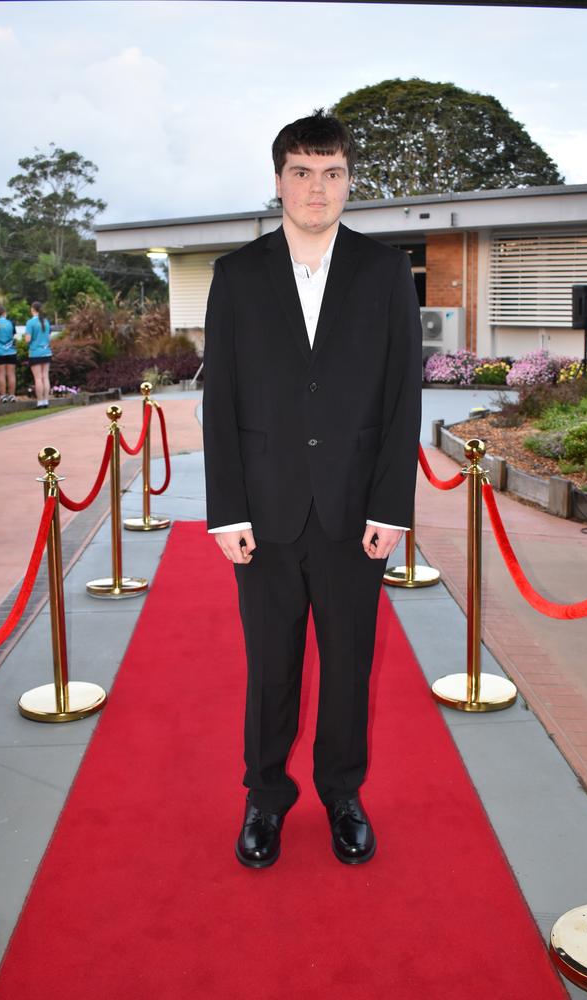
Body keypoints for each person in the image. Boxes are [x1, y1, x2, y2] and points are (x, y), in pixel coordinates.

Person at [203, 111, 422, 869]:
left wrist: (392, 506)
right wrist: (225, 510)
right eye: (301, 171)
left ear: (349, 180)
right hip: (261, 514)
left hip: (354, 512)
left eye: (331, 172)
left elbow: (402, 398)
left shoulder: (387, 271)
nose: (316, 187)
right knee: (270, 670)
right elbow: (220, 399)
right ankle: (264, 797)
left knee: (349, 667)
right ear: (278, 181)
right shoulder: (235, 276)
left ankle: (342, 794)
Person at [24, 301, 52, 407]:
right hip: (46, 352)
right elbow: (49, 338)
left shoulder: (30, 323)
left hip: (35, 353)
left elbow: (28, 339)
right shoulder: (46, 322)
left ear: (32, 309)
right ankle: (46, 400)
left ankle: (40, 401)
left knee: (38, 378)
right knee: (45, 376)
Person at [0, 305, 17, 402]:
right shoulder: (11, 323)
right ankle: (12, 395)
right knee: (11, 374)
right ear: (5, 313)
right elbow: (13, 335)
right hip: (11, 351)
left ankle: (3, 396)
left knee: (1, 375)